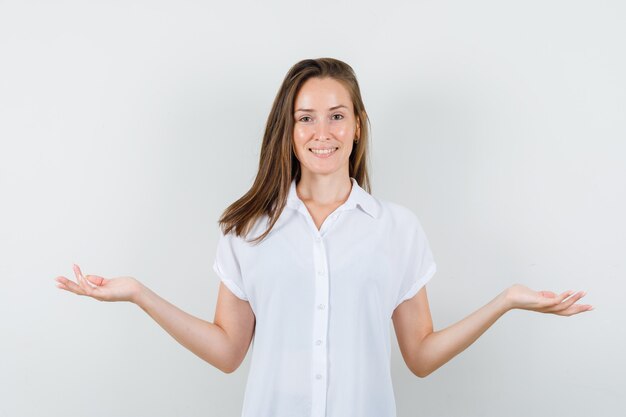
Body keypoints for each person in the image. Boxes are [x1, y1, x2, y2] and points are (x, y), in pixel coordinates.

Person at [54, 57, 593, 417]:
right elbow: (226, 350)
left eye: (336, 116)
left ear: (358, 124)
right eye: (305, 118)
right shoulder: (249, 230)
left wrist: (506, 302)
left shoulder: (396, 229)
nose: (322, 132)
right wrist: (138, 294)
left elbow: (421, 356)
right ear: (288, 133)